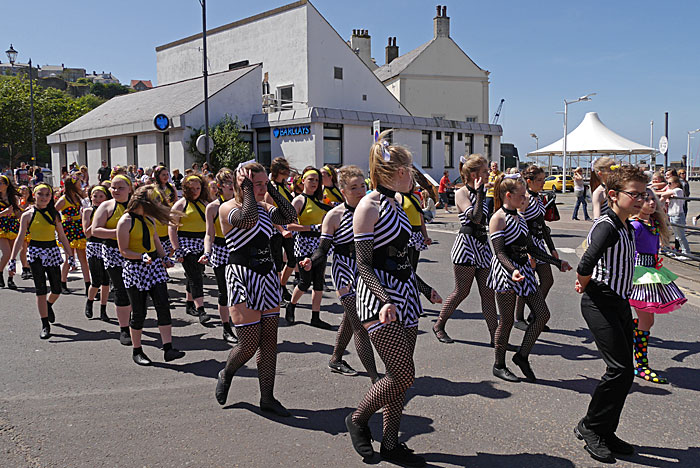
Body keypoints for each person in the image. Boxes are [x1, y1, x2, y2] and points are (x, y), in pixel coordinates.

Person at [346, 134, 441, 466]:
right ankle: (357, 420)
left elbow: (401, 259)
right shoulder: (368, 206)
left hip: (406, 297)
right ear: (397, 170)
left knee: (399, 376)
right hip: (378, 300)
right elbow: (364, 264)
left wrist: (423, 286)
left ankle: (390, 443)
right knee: (402, 375)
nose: (413, 174)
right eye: (410, 168)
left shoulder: (400, 204)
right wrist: (385, 299)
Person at [574, 165, 648, 463]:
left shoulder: (626, 224)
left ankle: (604, 429)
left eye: (644, 194)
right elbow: (586, 261)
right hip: (599, 301)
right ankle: (590, 427)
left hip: (618, 301)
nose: (641, 200)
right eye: (635, 194)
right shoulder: (608, 225)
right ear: (614, 195)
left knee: (625, 372)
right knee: (619, 370)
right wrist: (583, 282)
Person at [214, 162, 297, 416]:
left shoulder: (264, 207)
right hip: (242, 276)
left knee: (270, 343)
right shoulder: (228, 207)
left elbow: (290, 215)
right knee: (249, 344)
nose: (261, 189)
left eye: (263, 183)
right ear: (242, 184)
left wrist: (271, 187)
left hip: (267, 275)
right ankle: (227, 372)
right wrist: (248, 189)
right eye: (256, 184)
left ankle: (267, 397)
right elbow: (247, 219)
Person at [487, 173, 570, 383]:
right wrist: (512, 270)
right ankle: (499, 364)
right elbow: (499, 252)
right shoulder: (498, 218)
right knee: (505, 322)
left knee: (542, 315)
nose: (525, 199)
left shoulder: (520, 216)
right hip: (507, 274)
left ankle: (522, 355)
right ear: (508, 195)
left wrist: (556, 262)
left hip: (524, 270)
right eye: (521, 195)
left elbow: (531, 247)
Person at [299, 165, 379, 380]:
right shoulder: (334, 216)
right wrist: (310, 261)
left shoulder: (374, 209)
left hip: (366, 270)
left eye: (363, 186)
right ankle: (375, 377)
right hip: (344, 271)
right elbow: (323, 249)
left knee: (350, 318)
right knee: (360, 324)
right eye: (354, 187)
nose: (361, 191)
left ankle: (335, 358)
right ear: (342, 191)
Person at [116, 185, 185, 365]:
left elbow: (156, 243)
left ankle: (168, 349)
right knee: (139, 312)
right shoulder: (125, 221)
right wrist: (140, 256)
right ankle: (137, 351)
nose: (157, 204)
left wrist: (164, 258)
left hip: (154, 267)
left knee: (163, 306)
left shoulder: (149, 220)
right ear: (143, 201)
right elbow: (123, 250)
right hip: (135, 269)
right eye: (153, 200)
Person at [433, 154, 498, 345]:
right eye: (484, 171)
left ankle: (496, 336)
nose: (488, 174)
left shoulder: (483, 191)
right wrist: (479, 193)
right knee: (462, 291)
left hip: (482, 245)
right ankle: (439, 324)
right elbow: (476, 217)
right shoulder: (462, 193)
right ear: (473, 173)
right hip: (466, 246)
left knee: (488, 293)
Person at [629, 188, 686, 384]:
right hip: (639, 276)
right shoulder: (635, 225)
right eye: (647, 200)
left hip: (652, 272)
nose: (652, 203)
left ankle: (633, 339)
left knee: (646, 321)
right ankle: (641, 366)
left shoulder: (651, 222)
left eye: (653, 199)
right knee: (647, 320)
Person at [8, 183, 74, 339]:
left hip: (52, 251)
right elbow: (20, 238)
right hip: (36, 253)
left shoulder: (54, 214)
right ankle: (45, 324)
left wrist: (71, 256)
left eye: (47, 195)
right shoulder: (27, 215)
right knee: (40, 290)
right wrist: (12, 259)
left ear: (51, 197)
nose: (44, 197)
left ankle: (48, 305)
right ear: (34, 195)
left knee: (57, 289)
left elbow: (63, 237)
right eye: (41, 194)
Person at [514, 165, 563, 332]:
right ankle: (518, 318)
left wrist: (552, 248)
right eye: (540, 180)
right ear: (529, 181)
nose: (543, 183)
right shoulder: (524, 198)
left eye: (544, 179)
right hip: (527, 245)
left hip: (540, 243)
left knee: (547, 280)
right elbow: (521, 225)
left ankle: (535, 313)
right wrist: (528, 252)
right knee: (526, 283)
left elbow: (542, 224)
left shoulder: (538, 197)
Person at [284, 167, 333, 328]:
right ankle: (291, 305)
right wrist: (311, 227)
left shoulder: (321, 200)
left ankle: (315, 317)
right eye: (310, 179)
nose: (314, 183)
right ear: (303, 181)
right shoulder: (299, 200)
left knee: (319, 281)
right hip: (303, 244)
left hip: (319, 245)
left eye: (317, 180)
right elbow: (289, 225)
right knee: (305, 282)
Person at [92, 174, 134, 346]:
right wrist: (118, 232)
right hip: (113, 252)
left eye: (120, 187)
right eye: (113, 188)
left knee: (135, 290)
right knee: (121, 289)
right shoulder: (106, 206)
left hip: (135, 252)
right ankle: (124, 329)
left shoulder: (137, 205)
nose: (116, 190)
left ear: (130, 189)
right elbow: (95, 230)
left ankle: (133, 322)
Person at [202, 168, 238, 344]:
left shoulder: (242, 203)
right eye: (227, 183)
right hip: (221, 250)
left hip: (239, 248)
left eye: (233, 182)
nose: (231, 186)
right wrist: (207, 252)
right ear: (219, 186)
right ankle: (226, 327)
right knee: (225, 291)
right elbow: (209, 234)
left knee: (242, 290)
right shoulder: (213, 207)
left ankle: (243, 324)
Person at [170, 174, 211, 324]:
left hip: (203, 243)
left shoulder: (205, 204)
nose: (195, 191)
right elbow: (172, 229)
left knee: (196, 273)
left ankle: (189, 304)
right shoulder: (180, 205)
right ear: (185, 189)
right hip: (186, 244)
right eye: (191, 188)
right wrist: (177, 249)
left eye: (198, 188)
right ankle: (201, 310)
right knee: (195, 277)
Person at [264, 158, 296, 302]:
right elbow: (269, 213)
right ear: (278, 171)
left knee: (292, 260)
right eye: (285, 170)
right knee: (277, 263)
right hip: (275, 231)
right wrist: (281, 229)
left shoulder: (284, 186)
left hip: (287, 228)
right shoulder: (271, 189)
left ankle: (281, 285)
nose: (288, 172)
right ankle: (277, 290)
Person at [55, 173, 90, 295]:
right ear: (72, 186)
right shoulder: (63, 200)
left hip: (79, 228)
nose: (81, 184)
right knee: (70, 257)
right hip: (68, 230)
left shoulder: (78, 198)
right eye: (78, 183)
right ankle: (62, 283)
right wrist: (64, 219)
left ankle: (88, 286)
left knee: (83, 259)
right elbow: (54, 213)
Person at [82, 185, 111, 321]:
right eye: (95, 196)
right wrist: (96, 220)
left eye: (101, 196)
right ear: (91, 197)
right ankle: (90, 301)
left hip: (106, 245)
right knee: (96, 280)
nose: (98, 199)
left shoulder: (108, 210)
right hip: (93, 246)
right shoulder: (87, 211)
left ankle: (103, 309)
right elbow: (87, 232)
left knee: (106, 281)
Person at [659, 176, 691, 258]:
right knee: (677, 236)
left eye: (670, 183)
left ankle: (686, 253)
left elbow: (663, 193)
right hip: (672, 215)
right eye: (667, 183)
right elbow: (663, 193)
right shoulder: (672, 190)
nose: (668, 185)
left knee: (681, 236)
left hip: (678, 215)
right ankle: (684, 252)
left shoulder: (678, 190)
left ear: (676, 184)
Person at [0, 175, 22, 289]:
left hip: (13, 226)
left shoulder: (13, 197)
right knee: (7, 253)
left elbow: (17, 214)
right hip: (1, 228)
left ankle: (10, 279)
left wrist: (22, 212)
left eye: (1, 183)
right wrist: (4, 212)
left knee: (12, 255)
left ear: (6, 185)